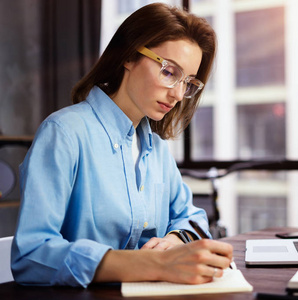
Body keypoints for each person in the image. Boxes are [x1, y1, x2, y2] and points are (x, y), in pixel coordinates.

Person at [11, 3, 233, 288]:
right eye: (169, 72)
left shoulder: (155, 146)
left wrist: (173, 241)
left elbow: (191, 217)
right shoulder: (64, 134)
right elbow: (31, 255)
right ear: (129, 56)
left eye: (188, 83)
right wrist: (154, 264)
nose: (178, 94)